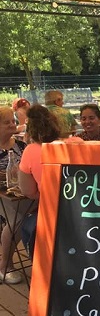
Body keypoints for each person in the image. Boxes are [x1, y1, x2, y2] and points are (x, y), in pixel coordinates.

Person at [18, 105, 62, 267]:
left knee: (26, 224)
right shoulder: (75, 142)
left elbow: (28, 191)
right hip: (84, 210)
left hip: (52, 215)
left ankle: (39, 268)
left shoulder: (31, 150)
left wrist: (48, 194)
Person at [0, 107, 28, 284]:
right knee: (18, 218)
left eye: (13, 121)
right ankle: (5, 266)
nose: (12, 124)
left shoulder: (20, 145)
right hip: (4, 196)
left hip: (20, 194)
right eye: (7, 122)